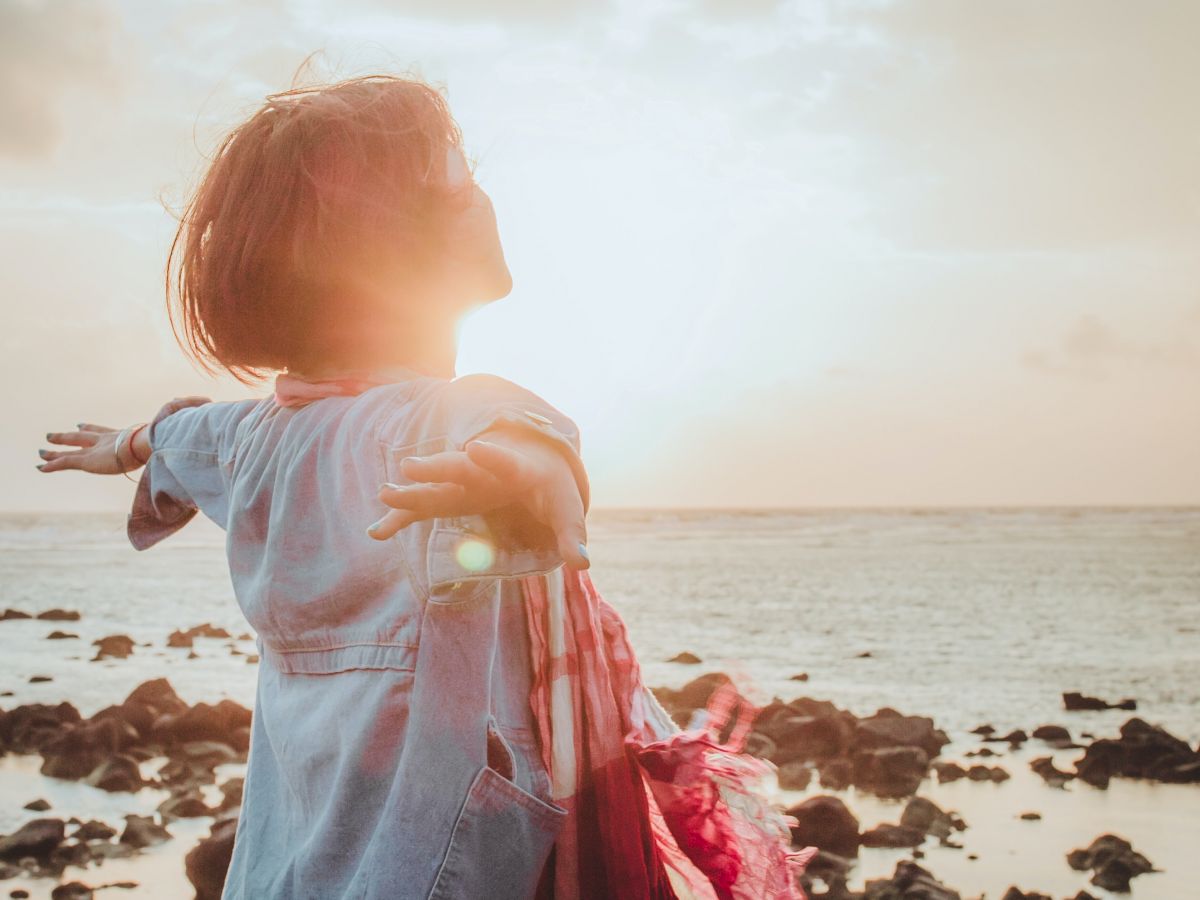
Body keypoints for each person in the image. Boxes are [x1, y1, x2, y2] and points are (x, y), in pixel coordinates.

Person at [38, 74, 815, 899]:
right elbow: (521, 434)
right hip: (446, 866)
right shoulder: (440, 419)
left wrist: (126, 445)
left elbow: (183, 435)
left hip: (290, 866)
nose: (483, 201)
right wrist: (522, 480)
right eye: (458, 184)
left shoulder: (255, 436)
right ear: (384, 244)